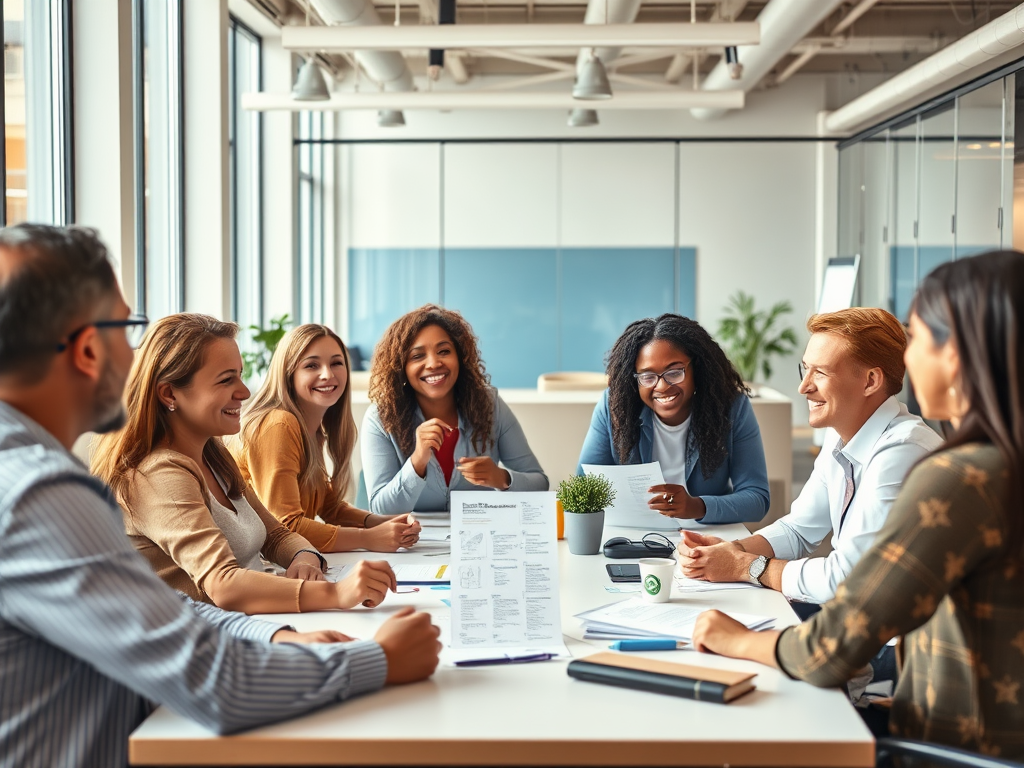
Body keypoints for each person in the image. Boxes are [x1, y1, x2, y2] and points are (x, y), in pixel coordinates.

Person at [0, 224, 440, 768]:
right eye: (127, 326)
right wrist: (376, 660)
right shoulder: (37, 493)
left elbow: (164, 608)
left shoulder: (42, 469)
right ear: (89, 348)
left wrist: (273, 633)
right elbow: (214, 682)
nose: (136, 351)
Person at [691, 251, 1024, 758]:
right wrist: (734, 554)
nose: (909, 358)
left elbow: (831, 648)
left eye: (922, 337)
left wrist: (732, 636)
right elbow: (803, 527)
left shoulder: (957, 476)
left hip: (955, 747)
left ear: (959, 352)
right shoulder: (999, 463)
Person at [92, 313, 398, 614]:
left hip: (253, 622)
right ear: (170, 393)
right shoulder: (157, 475)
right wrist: (336, 593)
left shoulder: (213, 455)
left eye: (240, 375)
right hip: (208, 642)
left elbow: (277, 534)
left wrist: (304, 557)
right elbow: (223, 584)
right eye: (227, 380)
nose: (245, 391)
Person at [677, 308, 942, 610]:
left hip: (894, 643)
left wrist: (746, 566)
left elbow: (848, 579)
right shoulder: (841, 433)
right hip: (855, 616)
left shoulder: (903, 451)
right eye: (805, 369)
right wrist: (729, 550)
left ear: (871, 381)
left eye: (822, 372)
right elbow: (798, 530)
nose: (804, 387)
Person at [236, 323, 420, 552]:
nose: (328, 374)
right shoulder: (277, 424)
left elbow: (330, 508)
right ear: (288, 373)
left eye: (336, 363)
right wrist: (368, 538)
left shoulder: (311, 430)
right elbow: (286, 527)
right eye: (312, 365)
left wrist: (384, 523)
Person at [576, 313, 769, 524]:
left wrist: (696, 506)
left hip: (707, 536)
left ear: (697, 368)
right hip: (631, 535)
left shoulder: (731, 407)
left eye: (675, 372)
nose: (662, 386)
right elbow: (583, 487)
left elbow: (757, 499)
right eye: (647, 377)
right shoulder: (615, 407)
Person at [362, 304, 548, 513]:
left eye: (444, 351)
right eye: (417, 356)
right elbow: (380, 509)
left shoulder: (489, 404)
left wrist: (501, 478)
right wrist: (417, 461)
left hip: (482, 537)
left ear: (460, 357)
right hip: (416, 542)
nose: (433, 363)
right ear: (401, 367)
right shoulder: (380, 418)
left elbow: (540, 484)